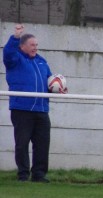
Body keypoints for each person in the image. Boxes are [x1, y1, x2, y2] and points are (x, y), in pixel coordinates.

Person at [3, 24, 53, 183]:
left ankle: (39, 175)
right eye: (32, 45)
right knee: (22, 144)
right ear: (22, 46)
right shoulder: (15, 59)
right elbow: (8, 53)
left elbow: (50, 82)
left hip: (42, 110)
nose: (35, 48)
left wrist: (57, 88)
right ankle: (23, 175)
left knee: (42, 144)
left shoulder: (42, 61)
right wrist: (15, 36)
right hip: (22, 109)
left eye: (36, 45)